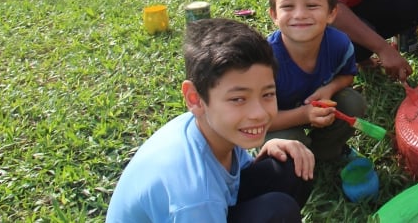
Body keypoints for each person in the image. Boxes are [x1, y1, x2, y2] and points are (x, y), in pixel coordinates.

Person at [106, 18, 315, 223]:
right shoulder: (194, 196)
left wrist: (270, 145)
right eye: (238, 99)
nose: (258, 113)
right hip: (195, 209)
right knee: (278, 212)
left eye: (267, 94)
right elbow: (199, 195)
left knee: (291, 166)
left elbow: (233, 175)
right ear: (194, 98)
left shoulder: (212, 127)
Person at [264, 0, 367, 162]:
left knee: (352, 102)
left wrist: (330, 88)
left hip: (316, 111)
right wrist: (304, 115)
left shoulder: (339, 44)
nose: (300, 14)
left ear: (331, 13)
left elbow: (347, 75)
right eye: (287, 6)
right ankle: (299, 158)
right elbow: (255, 120)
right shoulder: (263, 61)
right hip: (277, 123)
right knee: (287, 149)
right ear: (274, 15)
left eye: (312, 5)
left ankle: (325, 153)